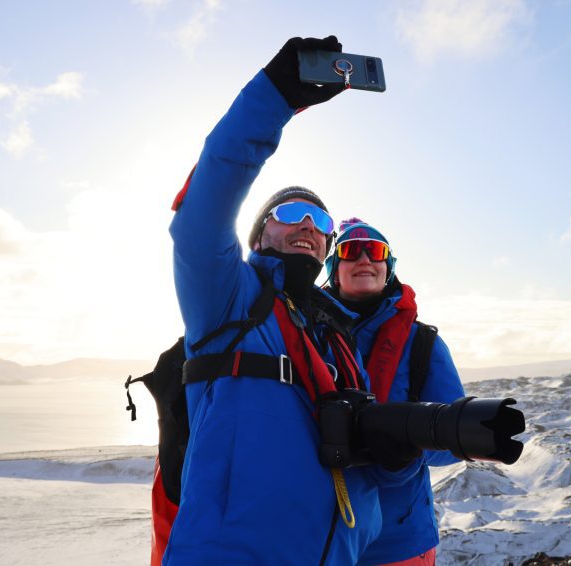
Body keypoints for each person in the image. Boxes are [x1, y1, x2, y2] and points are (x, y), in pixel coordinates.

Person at [164, 36, 404, 564]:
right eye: (288, 215)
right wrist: (273, 98)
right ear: (256, 236)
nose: (305, 227)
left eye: (318, 221)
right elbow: (203, 209)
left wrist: (397, 451)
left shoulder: (334, 331)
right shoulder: (227, 297)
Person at [324, 219, 467, 566]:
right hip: (319, 536)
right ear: (333, 269)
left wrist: (408, 443)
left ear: (388, 268)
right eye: (349, 251)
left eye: (375, 251)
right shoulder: (305, 336)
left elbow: (458, 438)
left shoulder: (422, 344)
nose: (363, 259)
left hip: (397, 541)